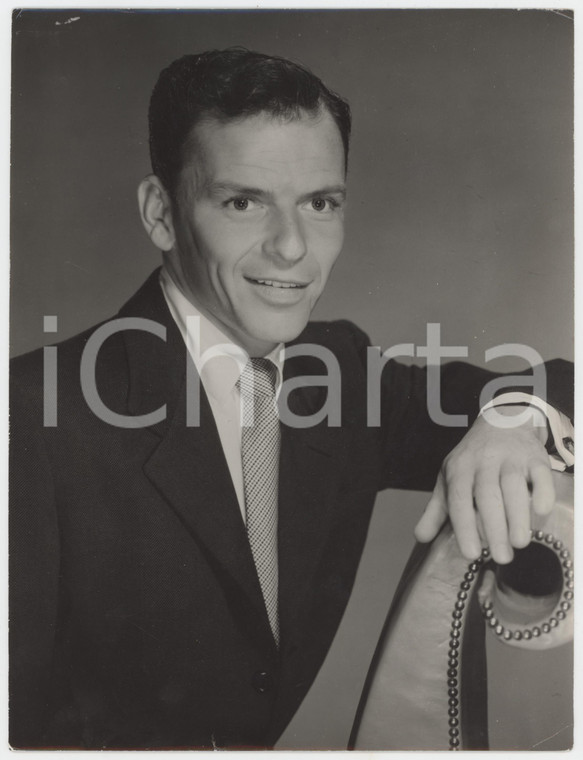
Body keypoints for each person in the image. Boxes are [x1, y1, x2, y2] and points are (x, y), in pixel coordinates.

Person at [9, 48, 573, 750]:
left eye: (320, 203)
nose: (291, 249)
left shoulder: (338, 370)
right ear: (160, 213)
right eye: (242, 202)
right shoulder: (29, 416)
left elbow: (554, 384)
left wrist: (511, 417)